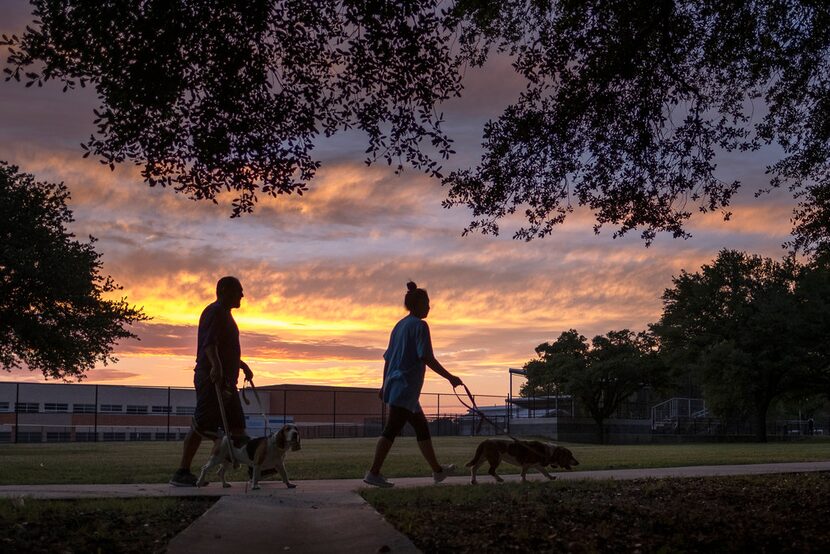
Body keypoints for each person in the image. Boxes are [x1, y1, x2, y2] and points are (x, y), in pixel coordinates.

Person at [364, 281, 463, 488]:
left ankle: (437, 471)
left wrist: (384, 385)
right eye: (427, 303)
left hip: (398, 385)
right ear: (417, 304)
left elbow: (388, 359)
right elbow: (426, 356)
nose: (429, 307)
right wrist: (450, 377)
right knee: (391, 430)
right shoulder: (420, 326)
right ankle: (373, 473)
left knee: (421, 428)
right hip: (406, 387)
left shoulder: (399, 325)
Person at [169, 276, 253, 487]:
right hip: (212, 378)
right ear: (224, 290)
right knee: (201, 424)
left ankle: (255, 467)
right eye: (239, 291)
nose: (242, 295)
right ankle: (182, 472)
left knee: (237, 426)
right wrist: (215, 366)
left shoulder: (226, 315)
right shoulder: (214, 312)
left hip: (227, 382)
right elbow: (209, 344)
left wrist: (241, 365)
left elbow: (224, 348)